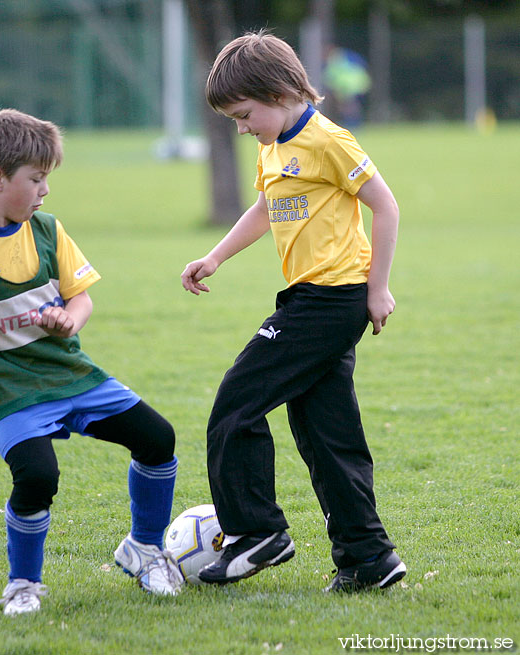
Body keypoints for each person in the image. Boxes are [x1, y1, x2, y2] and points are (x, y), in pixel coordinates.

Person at [0, 108, 183, 615]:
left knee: (157, 437)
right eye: (36, 179)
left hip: (69, 374)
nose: (45, 190)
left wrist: (70, 320)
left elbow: (80, 297)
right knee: (38, 476)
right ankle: (23, 585)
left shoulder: (47, 230)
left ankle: (145, 549)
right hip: (7, 388)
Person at [181, 31, 406, 593]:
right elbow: (265, 207)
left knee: (237, 401)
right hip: (309, 297)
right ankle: (368, 558)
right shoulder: (273, 145)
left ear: (279, 91)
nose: (241, 127)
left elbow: (386, 206)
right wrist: (215, 256)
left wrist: (378, 289)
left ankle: (256, 533)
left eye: (244, 114)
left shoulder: (330, 141)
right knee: (327, 432)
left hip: (333, 299)